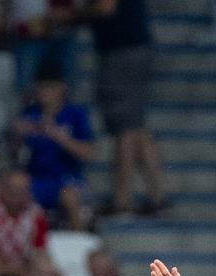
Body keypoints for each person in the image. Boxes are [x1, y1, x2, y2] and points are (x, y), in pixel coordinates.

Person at [89, 0, 166, 216]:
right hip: (133, 47)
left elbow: (105, 7)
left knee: (125, 128)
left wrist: (70, 16)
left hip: (122, 50)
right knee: (136, 126)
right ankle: (156, 197)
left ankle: (122, 200)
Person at [16, 65, 94, 231]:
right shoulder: (30, 113)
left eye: (49, 87)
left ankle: (78, 242)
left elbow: (88, 152)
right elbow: (14, 153)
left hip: (67, 178)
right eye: (41, 87)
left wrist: (60, 137)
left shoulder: (75, 114)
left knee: (70, 197)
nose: (45, 92)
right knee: (15, 191)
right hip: (36, 178)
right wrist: (17, 136)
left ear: (61, 88)